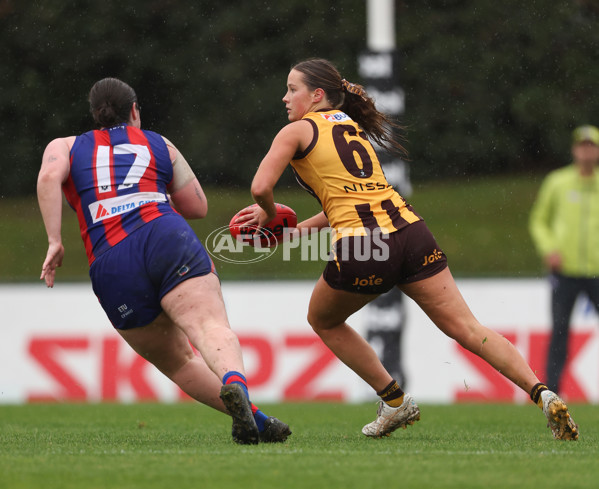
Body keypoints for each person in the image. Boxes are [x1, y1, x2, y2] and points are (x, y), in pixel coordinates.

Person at [236, 58, 579, 440]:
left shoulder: (296, 131)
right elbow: (353, 198)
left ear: (317, 95)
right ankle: (543, 393)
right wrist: (298, 231)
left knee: (324, 321)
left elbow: (260, 188)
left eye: (292, 89)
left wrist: (269, 215)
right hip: (411, 232)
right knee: (467, 327)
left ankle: (395, 402)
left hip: (366, 246)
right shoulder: (351, 126)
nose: (285, 98)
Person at [37, 77, 290, 445]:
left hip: (110, 260)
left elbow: (47, 177)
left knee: (177, 362)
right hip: (163, 234)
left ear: (95, 114)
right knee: (208, 327)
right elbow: (197, 207)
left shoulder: (65, 146)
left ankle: (257, 420)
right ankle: (236, 385)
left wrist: (54, 240)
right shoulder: (159, 143)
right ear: (134, 110)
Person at [529, 125, 599, 395]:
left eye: (591, 145)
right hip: (564, 272)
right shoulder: (557, 182)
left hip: (596, 272)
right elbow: (538, 221)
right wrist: (548, 248)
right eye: (582, 145)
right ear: (574, 149)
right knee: (559, 334)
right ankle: (552, 396)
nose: (586, 150)